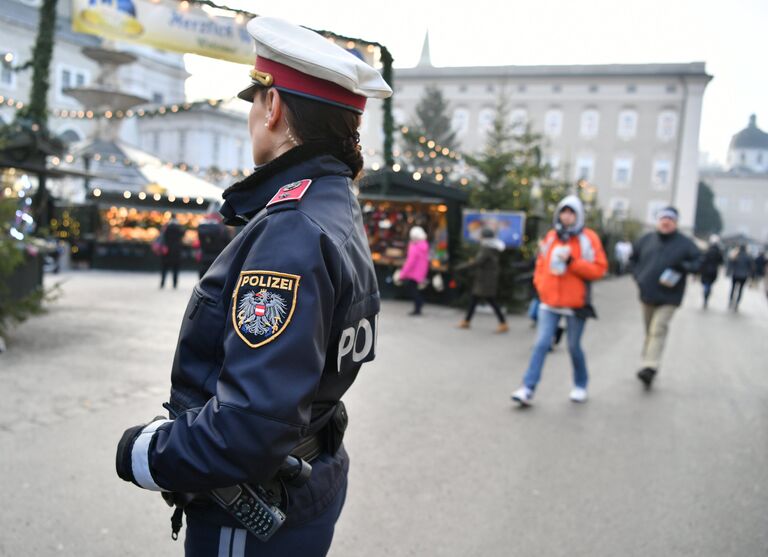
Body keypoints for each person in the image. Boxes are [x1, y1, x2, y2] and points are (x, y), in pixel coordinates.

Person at [115, 17, 391, 557]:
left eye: (255, 99)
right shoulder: (332, 204)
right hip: (309, 469)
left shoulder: (291, 227)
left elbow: (247, 429)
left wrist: (144, 452)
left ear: (274, 108)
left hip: (259, 502)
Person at [511, 195, 607, 406]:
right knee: (541, 344)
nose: (567, 216)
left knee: (574, 347)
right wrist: (540, 285)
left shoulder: (588, 238)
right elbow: (541, 264)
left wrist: (573, 262)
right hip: (550, 301)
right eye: (564, 211)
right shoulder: (551, 237)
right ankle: (527, 388)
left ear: (578, 215)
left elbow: (599, 269)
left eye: (572, 212)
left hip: (575, 303)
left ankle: (580, 384)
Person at [629, 206, 700, 388]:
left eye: (670, 219)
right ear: (658, 221)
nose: (666, 222)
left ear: (675, 223)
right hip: (647, 294)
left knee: (658, 329)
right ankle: (647, 362)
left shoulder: (685, 243)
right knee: (649, 330)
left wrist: (684, 266)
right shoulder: (646, 240)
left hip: (670, 296)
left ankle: (650, 366)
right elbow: (633, 259)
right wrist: (638, 276)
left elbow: (699, 261)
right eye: (663, 218)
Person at [456, 228, 508, 333]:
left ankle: (503, 323)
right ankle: (467, 321)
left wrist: (462, 266)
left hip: (485, 280)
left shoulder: (487, 248)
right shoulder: (492, 247)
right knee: (475, 300)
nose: (480, 237)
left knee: (490, 301)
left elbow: (478, 261)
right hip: (486, 279)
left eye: (482, 236)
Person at [398, 226, 430, 315]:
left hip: (413, 272)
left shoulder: (414, 246)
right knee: (414, 288)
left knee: (412, 289)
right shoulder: (424, 245)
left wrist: (403, 274)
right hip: (421, 271)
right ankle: (419, 305)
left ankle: (418, 305)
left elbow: (410, 261)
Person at [160, 214, 184, 289]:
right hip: (176, 251)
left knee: (164, 268)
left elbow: (162, 237)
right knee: (175, 269)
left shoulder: (166, 227)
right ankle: (174, 284)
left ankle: (162, 283)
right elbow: (182, 235)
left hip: (167, 251)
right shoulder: (179, 228)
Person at [699, 234, 723, 309]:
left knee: (706, 283)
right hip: (713, 271)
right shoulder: (719, 252)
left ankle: (706, 293)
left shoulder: (707, 250)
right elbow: (721, 262)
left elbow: (702, 260)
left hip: (705, 270)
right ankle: (707, 292)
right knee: (709, 284)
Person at [727, 244, 753, 311]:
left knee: (733, 288)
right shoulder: (748, 256)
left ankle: (730, 301)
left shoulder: (736, 255)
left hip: (735, 274)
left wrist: (729, 272)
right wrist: (751, 276)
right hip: (744, 276)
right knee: (740, 290)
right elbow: (751, 267)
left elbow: (731, 263)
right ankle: (737, 303)